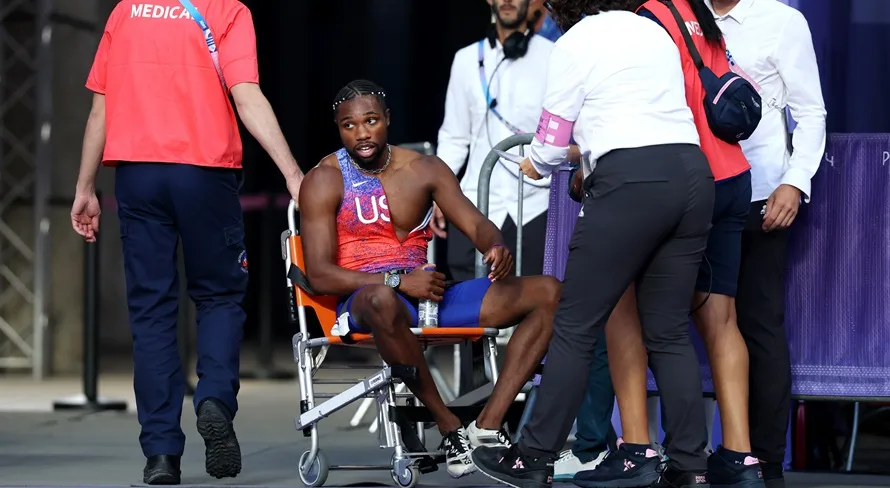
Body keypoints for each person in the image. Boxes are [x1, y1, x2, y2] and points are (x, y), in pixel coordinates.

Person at [471, 1, 717, 487]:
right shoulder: (653, 32)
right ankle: (689, 466)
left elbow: (550, 137)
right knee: (666, 330)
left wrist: (536, 165)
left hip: (631, 181)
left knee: (575, 324)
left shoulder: (576, 41)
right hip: (691, 174)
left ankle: (533, 456)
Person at [70, 0, 304, 484]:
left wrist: (84, 188)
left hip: (137, 176)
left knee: (152, 311)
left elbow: (101, 108)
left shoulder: (124, 12)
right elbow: (246, 95)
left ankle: (160, 454)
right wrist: (293, 173)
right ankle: (214, 396)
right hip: (204, 174)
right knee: (219, 296)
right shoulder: (229, 11)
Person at [298, 80, 561, 479]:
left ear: (387, 120)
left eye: (370, 121)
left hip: (428, 297)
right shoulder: (324, 178)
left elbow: (475, 223)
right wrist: (396, 281)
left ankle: (487, 427)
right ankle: (449, 426)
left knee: (548, 292)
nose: (362, 133)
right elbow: (318, 275)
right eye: (349, 125)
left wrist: (495, 245)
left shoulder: (425, 169)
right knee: (381, 299)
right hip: (365, 301)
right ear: (338, 128)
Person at [569, 0, 762, 486]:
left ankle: (637, 448)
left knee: (622, 309)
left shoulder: (647, 16)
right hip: (731, 174)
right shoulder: (694, 9)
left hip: (676, 174)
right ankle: (738, 458)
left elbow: (637, 104)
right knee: (721, 320)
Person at [707, 1, 826, 487]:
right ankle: (685, 455)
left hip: (761, 199)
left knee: (759, 326)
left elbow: (811, 113)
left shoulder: (782, 21)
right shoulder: (677, 16)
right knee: (668, 324)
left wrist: (794, 182)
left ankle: (766, 462)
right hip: (692, 194)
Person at [436, 0, 579, 280]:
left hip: (537, 205)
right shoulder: (466, 59)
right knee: (471, 306)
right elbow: (454, 137)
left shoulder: (555, 56)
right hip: (475, 203)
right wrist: (438, 193)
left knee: (537, 301)